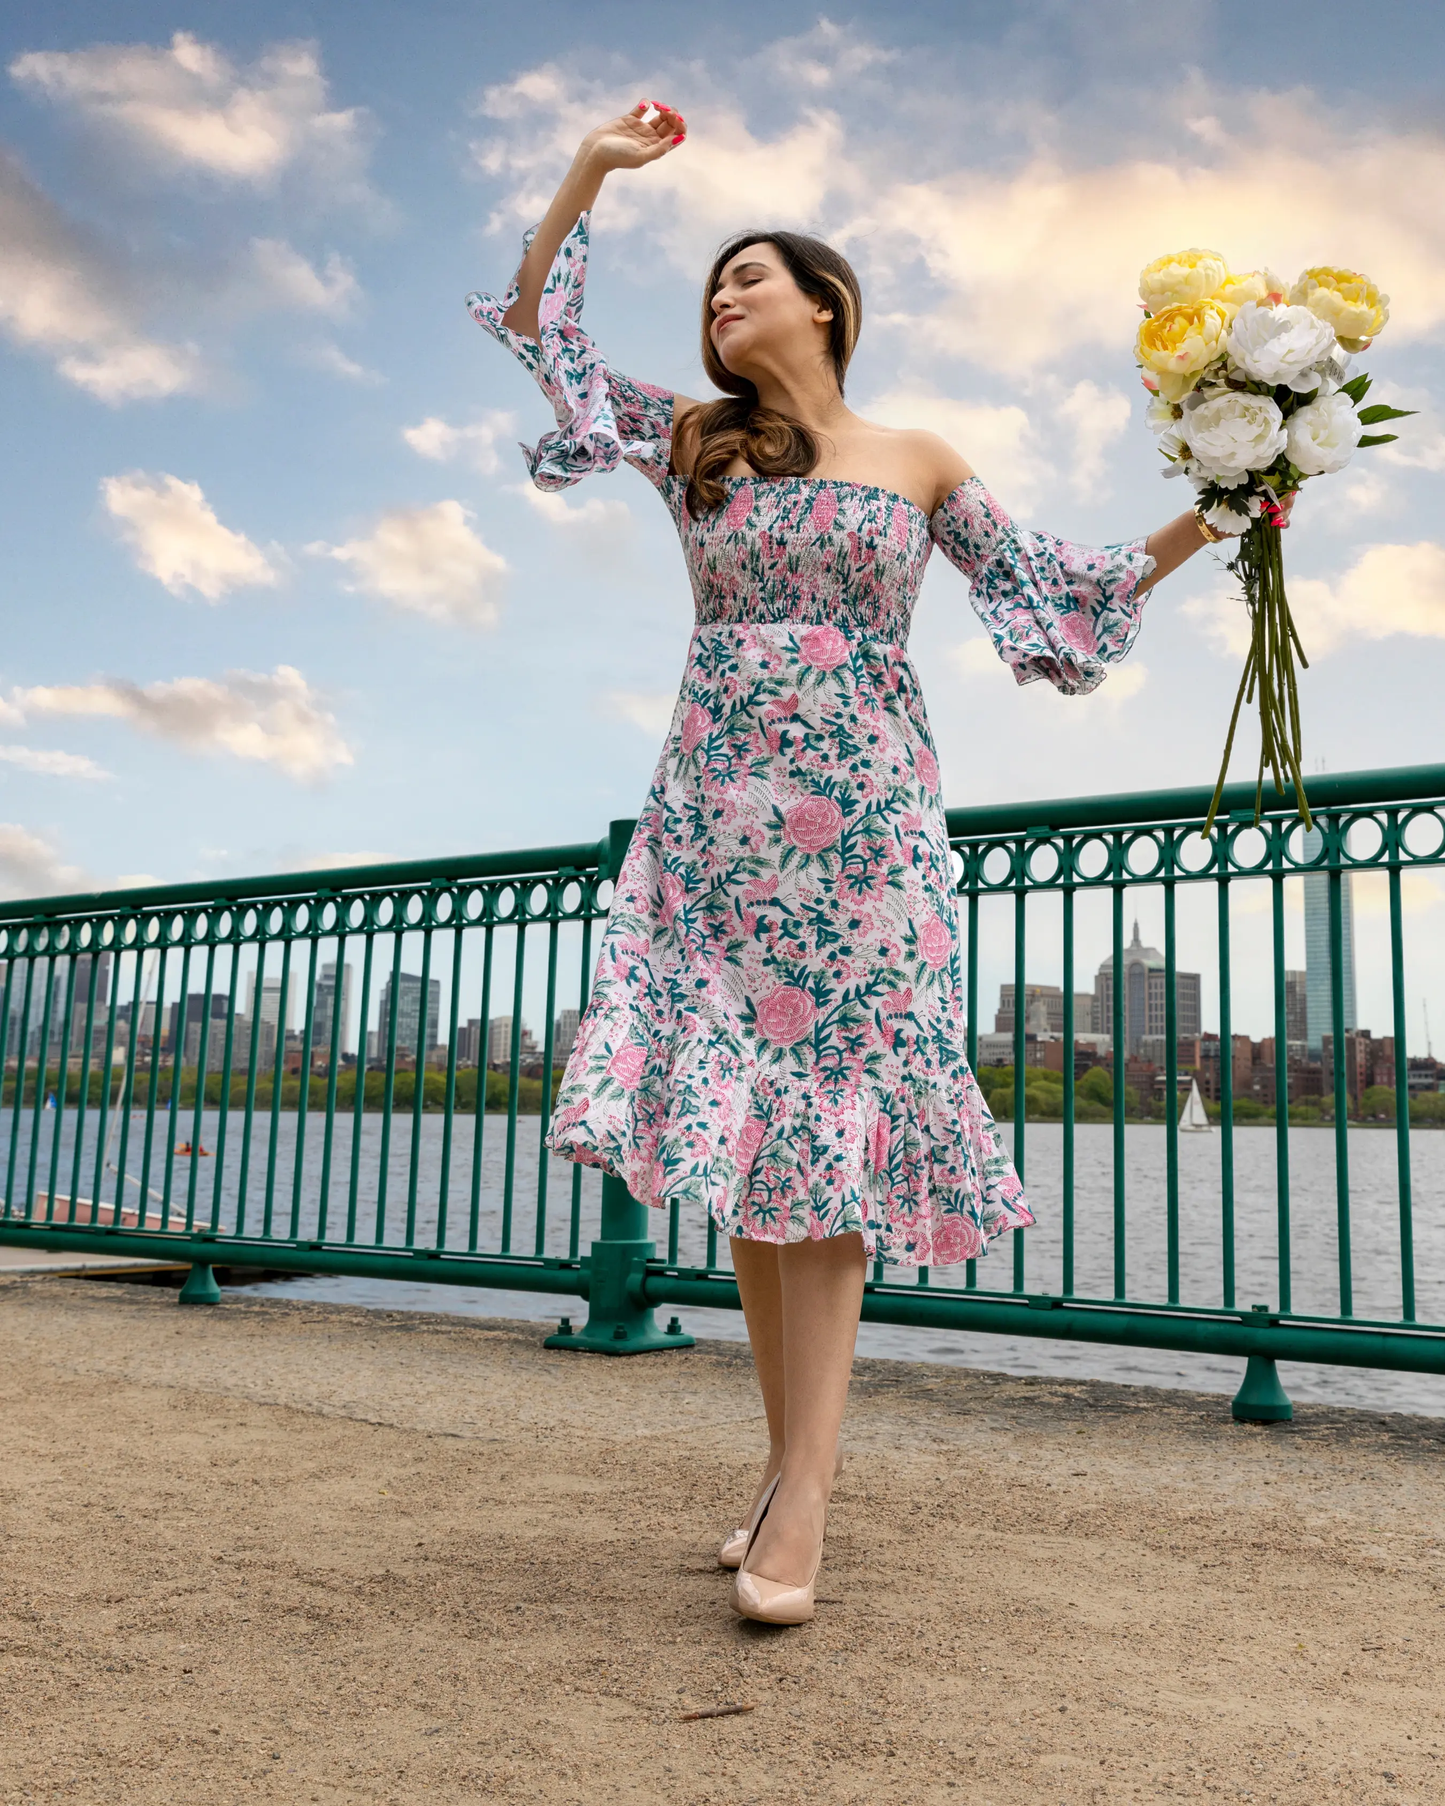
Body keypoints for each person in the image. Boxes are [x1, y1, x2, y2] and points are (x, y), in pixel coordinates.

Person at [468, 101, 1277, 1626]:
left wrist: (1226, 507)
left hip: (869, 835)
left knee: (824, 1145)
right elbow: (533, 324)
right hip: (715, 824)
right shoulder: (698, 442)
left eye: (749, 277)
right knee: (757, 1151)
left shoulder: (917, 458)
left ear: (826, 303)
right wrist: (591, 166)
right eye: (712, 286)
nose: (722, 300)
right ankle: (785, 1475)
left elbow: (1061, 587)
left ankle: (808, 1496)